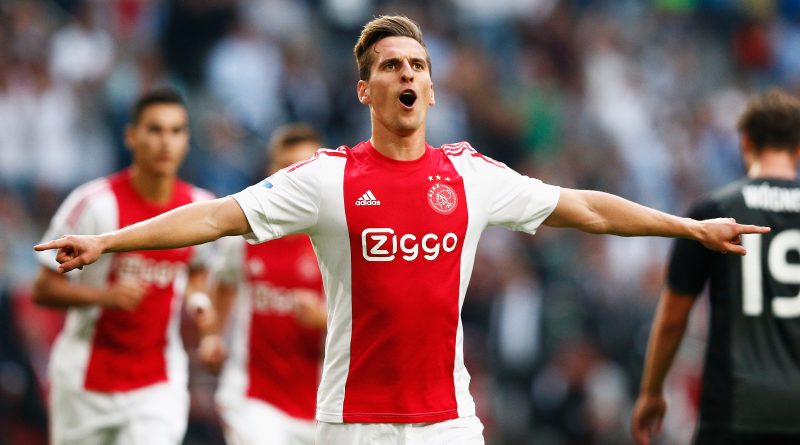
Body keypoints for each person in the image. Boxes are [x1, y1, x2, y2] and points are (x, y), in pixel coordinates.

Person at [35, 16, 770, 445]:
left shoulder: (470, 174)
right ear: (366, 89)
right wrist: (108, 243)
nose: (407, 73)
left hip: (448, 420)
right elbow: (215, 215)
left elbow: (587, 207)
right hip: (352, 421)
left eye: (417, 63)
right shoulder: (326, 178)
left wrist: (687, 225)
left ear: (432, 84)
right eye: (391, 65)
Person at [32, 88, 217, 445]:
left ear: (187, 141)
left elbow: (198, 270)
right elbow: (43, 289)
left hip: (157, 385)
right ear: (131, 136)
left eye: (176, 131)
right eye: (155, 129)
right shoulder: (94, 203)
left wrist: (200, 307)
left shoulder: (199, 208)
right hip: (85, 381)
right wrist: (104, 297)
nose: (166, 142)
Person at [631, 89, 800, 445]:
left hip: (736, 408)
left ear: (746, 142)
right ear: (798, 148)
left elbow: (675, 316)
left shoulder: (714, 211)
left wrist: (652, 390)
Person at [199, 124, 327, 445]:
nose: (298, 178)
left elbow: (377, 318)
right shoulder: (245, 236)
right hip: (252, 397)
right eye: (288, 168)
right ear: (273, 172)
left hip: (324, 407)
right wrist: (213, 335)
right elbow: (224, 284)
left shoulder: (341, 241)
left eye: (307, 168)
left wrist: (326, 318)